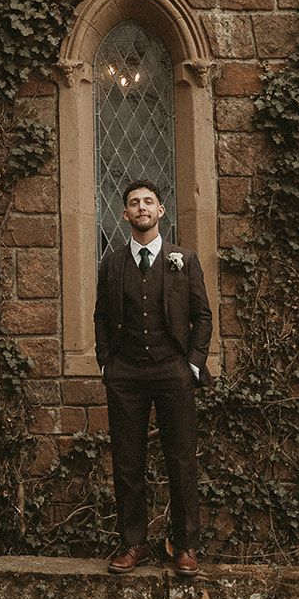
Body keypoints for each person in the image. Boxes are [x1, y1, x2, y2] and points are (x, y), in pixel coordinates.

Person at [94, 178, 212, 576]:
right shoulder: (111, 264)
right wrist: (106, 364)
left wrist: (192, 364)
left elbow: (203, 316)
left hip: (173, 371)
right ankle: (133, 543)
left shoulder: (185, 259)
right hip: (125, 374)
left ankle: (186, 547)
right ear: (125, 214)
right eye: (133, 203)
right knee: (128, 462)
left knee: (181, 461)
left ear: (161, 212)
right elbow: (101, 317)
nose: (141, 207)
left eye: (149, 202)